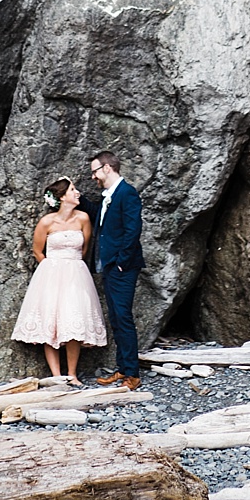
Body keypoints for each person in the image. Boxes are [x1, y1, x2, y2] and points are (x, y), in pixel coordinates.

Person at [11, 176, 107, 383]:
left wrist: (70, 263)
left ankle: (72, 374)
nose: (77, 193)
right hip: (51, 274)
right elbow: (37, 251)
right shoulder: (47, 222)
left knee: (74, 321)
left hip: (76, 273)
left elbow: (84, 249)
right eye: (73, 190)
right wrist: (52, 268)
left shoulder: (82, 218)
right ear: (62, 197)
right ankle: (56, 376)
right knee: (50, 323)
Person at [89, 152, 145, 389]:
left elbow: (133, 229)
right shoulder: (108, 197)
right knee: (116, 318)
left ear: (108, 168)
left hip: (122, 266)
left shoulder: (127, 193)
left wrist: (121, 260)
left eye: (95, 171)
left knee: (123, 317)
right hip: (110, 265)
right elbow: (102, 221)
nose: (93, 177)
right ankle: (123, 369)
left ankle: (132, 373)